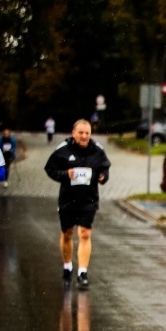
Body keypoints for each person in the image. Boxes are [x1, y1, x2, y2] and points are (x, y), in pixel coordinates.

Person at [45, 119, 111, 289]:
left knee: (85, 234)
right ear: (73, 133)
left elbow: (105, 167)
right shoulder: (63, 149)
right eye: (80, 133)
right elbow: (50, 169)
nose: (84, 136)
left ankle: (82, 272)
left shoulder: (97, 150)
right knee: (67, 234)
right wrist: (65, 174)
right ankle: (67, 266)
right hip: (68, 200)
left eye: (87, 133)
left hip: (89, 200)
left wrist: (103, 176)